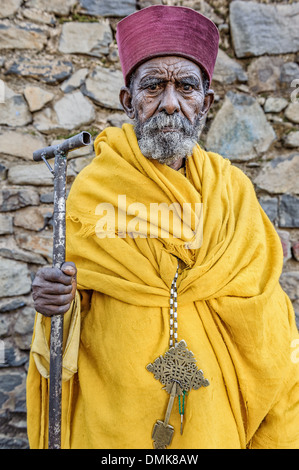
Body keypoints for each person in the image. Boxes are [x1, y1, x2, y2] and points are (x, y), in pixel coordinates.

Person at [27, 5, 299, 449]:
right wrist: (54, 302)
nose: (170, 103)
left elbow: (265, 311)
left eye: (186, 87)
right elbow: (73, 306)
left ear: (205, 103)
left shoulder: (232, 193)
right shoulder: (94, 191)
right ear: (127, 101)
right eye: (153, 86)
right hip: (111, 412)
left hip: (213, 416)